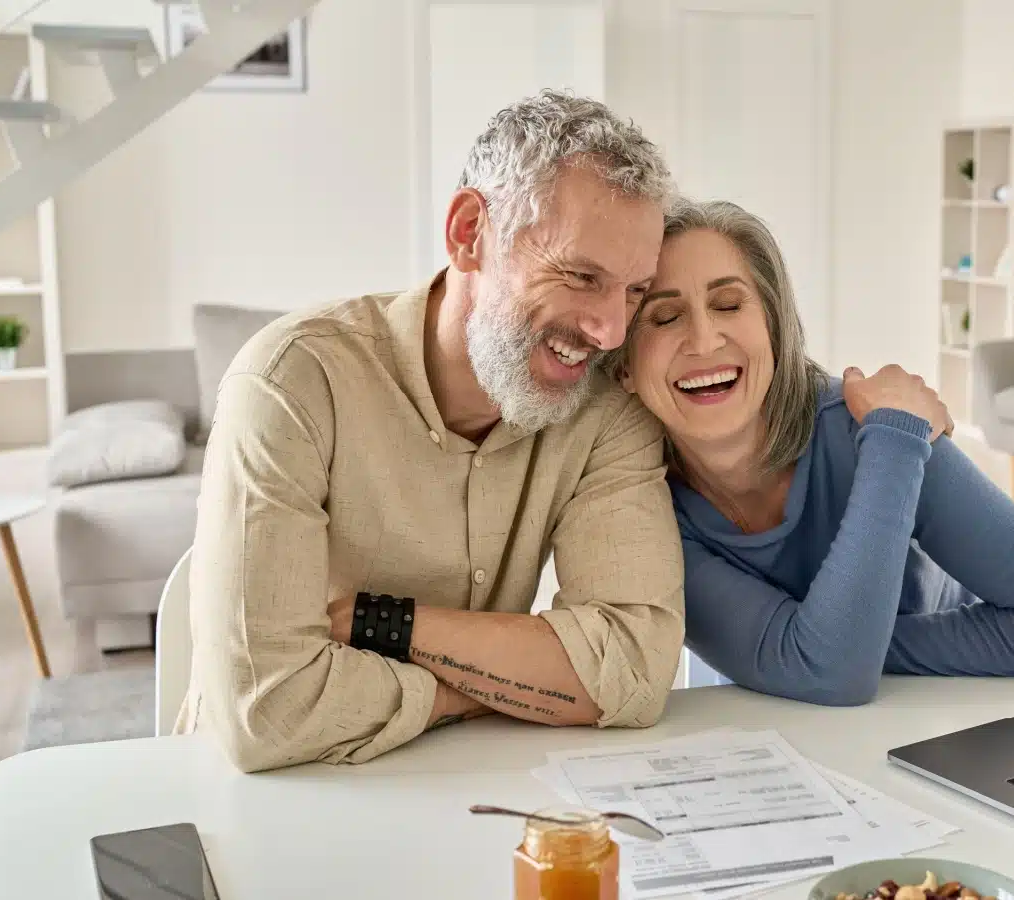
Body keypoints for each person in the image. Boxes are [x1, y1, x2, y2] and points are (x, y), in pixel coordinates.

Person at [179, 91, 686, 772]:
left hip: (455, 791)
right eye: (580, 275)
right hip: (263, 799)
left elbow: (633, 669)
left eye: (633, 290)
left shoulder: (606, 416)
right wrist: (491, 689)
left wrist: (379, 623)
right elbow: (267, 711)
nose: (611, 330)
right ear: (470, 232)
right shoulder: (292, 381)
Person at [606, 199, 1014, 706]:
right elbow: (829, 670)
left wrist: (836, 646)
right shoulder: (641, 509)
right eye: (665, 316)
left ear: (775, 331)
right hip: (774, 735)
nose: (702, 338)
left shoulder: (885, 431)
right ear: (624, 366)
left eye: (728, 305)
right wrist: (832, 648)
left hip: (934, 712)